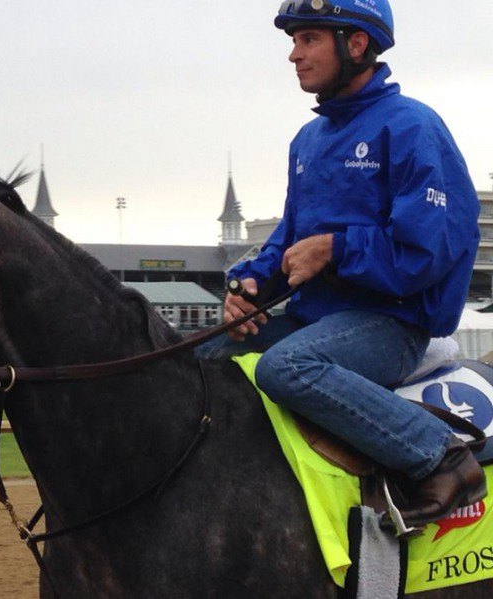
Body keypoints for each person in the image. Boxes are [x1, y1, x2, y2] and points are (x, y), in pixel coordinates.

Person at [197, 0, 486, 530]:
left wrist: (337, 249)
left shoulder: (413, 127)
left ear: (356, 45)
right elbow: (287, 241)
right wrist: (250, 286)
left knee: (287, 368)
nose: (293, 55)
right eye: (293, 40)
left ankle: (442, 456)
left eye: (308, 39)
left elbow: (428, 252)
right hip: (314, 318)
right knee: (199, 359)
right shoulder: (308, 140)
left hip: (392, 324)